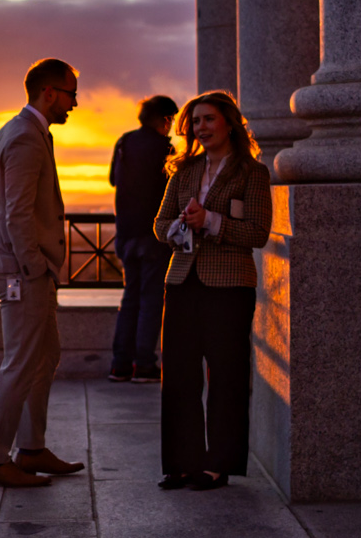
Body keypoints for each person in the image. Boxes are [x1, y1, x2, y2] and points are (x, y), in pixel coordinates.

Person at [0, 57, 87, 491]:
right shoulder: (24, 136)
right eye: (71, 93)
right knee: (20, 363)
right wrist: (35, 266)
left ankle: (32, 448)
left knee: (44, 356)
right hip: (22, 271)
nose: (75, 103)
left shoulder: (24, 131)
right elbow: (17, 213)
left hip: (25, 268)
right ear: (49, 92)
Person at [152, 90, 271, 490]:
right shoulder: (183, 171)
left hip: (230, 286)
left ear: (229, 123)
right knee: (179, 375)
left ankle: (218, 465)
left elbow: (257, 232)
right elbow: (159, 224)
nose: (201, 128)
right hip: (182, 280)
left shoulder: (252, 173)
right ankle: (182, 463)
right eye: (195, 122)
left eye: (208, 120)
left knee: (226, 376)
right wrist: (183, 225)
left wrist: (212, 221)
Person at [107, 95, 179, 382]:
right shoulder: (165, 148)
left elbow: (114, 179)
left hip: (125, 232)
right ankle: (145, 365)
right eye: (170, 120)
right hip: (154, 234)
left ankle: (120, 365)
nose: (171, 126)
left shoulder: (124, 142)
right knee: (151, 300)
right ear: (164, 118)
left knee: (130, 298)